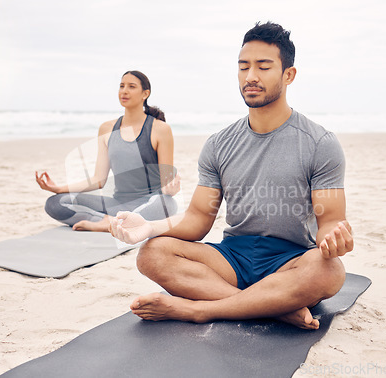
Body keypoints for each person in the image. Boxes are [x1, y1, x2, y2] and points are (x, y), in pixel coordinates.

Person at [109, 22, 354, 330]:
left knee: (330, 272)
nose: (250, 77)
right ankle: (272, 308)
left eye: (264, 67)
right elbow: (198, 219)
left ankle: (199, 311)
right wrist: (149, 227)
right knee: (152, 253)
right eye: (243, 67)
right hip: (232, 259)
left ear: (288, 75)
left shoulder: (320, 143)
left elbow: (330, 220)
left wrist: (333, 239)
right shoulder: (219, 144)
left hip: (291, 261)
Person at [36, 70, 180, 232]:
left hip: (149, 203)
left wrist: (170, 189)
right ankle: (109, 222)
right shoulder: (107, 128)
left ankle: (112, 223)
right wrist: (58, 188)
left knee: (167, 204)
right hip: (116, 204)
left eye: (131, 87)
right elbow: (99, 179)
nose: (124, 91)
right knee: (55, 203)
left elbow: (166, 181)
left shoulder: (160, 129)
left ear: (145, 94)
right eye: (121, 86)